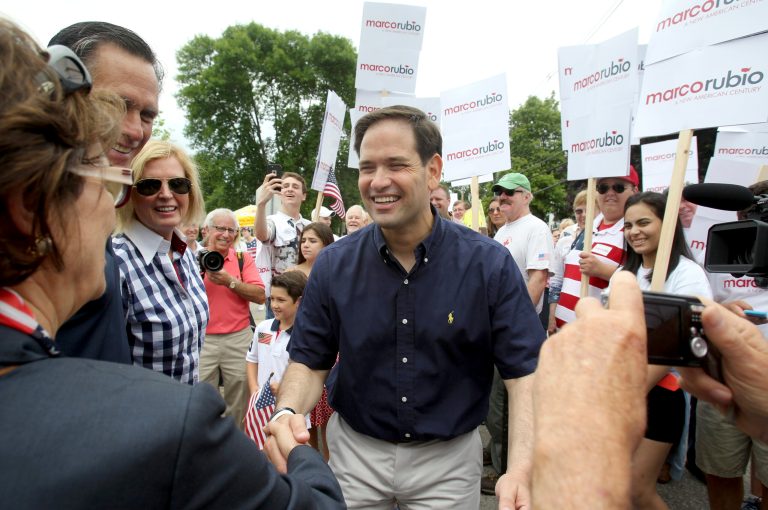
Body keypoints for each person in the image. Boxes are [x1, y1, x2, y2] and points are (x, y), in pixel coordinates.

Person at [0, 20, 344, 508]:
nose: (135, 129)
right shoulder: (112, 279)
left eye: (178, 186)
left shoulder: (184, 261)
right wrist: (302, 459)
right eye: (100, 178)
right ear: (31, 205)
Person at [270, 105, 544, 509]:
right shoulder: (334, 264)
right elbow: (310, 360)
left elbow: (525, 374)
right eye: (368, 167)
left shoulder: (487, 264)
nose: (379, 181)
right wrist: (287, 410)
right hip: (355, 458)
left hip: (448, 466)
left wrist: (519, 468)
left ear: (433, 170)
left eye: (396, 164)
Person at [50, 21, 161, 364]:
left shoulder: (96, 208)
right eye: (114, 104)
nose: (132, 130)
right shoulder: (21, 220)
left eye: (146, 114)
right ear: (59, 92)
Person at [621, 191, 712, 509]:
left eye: (644, 222)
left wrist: (630, 390)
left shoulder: (689, 276)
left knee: (637, 490)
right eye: (628, 225)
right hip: (622, 392)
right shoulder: (625, 274)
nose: (634, 231)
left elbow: (677, 344)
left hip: (661, 394)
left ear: (668, 223)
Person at [697, 180, 768, 510]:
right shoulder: (722, 244)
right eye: (747, 210)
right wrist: (720, 312)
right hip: (723, 377)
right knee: (719, 472)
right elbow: (702, 305)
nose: (750, 217)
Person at [114, 140, 209, 384]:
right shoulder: (116, 264)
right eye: (149, 186)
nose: (166, 194)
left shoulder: (184, 253)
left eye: (178, 184)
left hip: (185, 413)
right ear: (130, 193)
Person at [484, 171, 552, 493]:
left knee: (508, 407)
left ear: (527, 196)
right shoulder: (502, 233)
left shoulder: (536, 228)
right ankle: (498, 457)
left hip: (514, 333)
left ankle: (507, 473)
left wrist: (513, 328)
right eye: (500, 193)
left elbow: (537, 281)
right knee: (495, 405)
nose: (503, 197)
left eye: (511, 192)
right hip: (494, 331)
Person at [199, 208, 266, 428]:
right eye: (220, 228)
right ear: (207, 230)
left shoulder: (241, 258)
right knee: (200, 396)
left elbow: (260, 296)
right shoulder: (191, 259)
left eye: (231, 230)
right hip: (202, 340)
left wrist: (230, 281)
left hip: (237, 338)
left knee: (239, 399)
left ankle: (232, 446)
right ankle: (202, 444)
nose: (226, 234)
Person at [554, 166, 639, 328]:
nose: (610, 193)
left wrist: (603, 270)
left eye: (619, 187)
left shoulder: (634, 231)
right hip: (565, 331)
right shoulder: (588, 229)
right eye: (603, 187)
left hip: (597, 335)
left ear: (635, 191)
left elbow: (645, 280)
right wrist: (553, 313)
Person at [245, 271, 309, 447]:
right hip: (262, 407)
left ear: (299, 301)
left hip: (292, 409)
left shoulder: (305, 335)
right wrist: (254, 389)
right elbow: (252, 359)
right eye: (272, 299)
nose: (274, 305)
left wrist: (285, 389)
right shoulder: (263, 328)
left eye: (281, 300)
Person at [288, 222, 336, 460]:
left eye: (313, 241)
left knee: (326, 414)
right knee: (303, 420)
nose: (306, 245)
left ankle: (328, 461)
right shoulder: (290, 273)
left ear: (327, 243)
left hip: (327, 349)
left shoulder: (335, 272)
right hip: (296, 348)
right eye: (303, 240)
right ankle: (307, 461)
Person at [254, 170, 310, 319]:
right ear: (279, 193)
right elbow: (262, 235)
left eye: (295, 186)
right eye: (285, 186)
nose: (290, 189)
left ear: (303, 195)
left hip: (308, 297)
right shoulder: (272, 222)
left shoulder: (310, 226)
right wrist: (261, 204)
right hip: (280, 300)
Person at [548, 190, 589, 334]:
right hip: (562, 326)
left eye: (588, 210)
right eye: (579, 211)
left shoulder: (605, 239)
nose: (583, 215)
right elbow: (556, 282)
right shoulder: (564, 241)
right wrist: (552, 317)